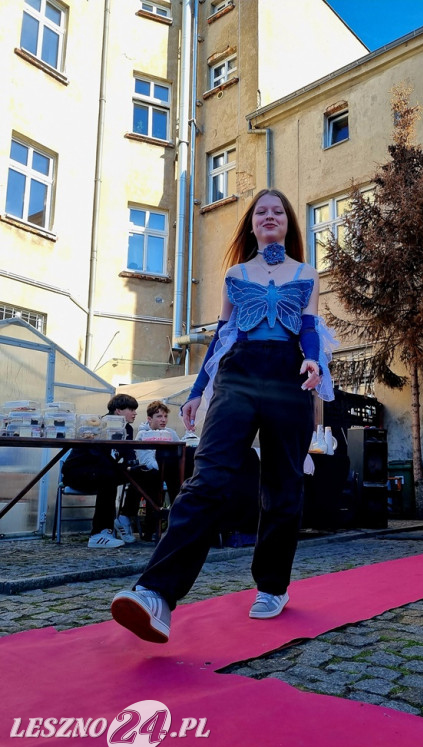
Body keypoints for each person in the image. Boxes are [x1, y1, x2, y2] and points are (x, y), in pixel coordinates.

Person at [111, 188, 337, 642]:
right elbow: (222, 337)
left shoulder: (306, 272)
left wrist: (312, 360)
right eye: (260, 212)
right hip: (238, 375)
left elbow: (309, 327)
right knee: (208, 477)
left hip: (289, 374)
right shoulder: (235, 273)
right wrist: (197, 391)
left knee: (283, 484)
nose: (269, 216)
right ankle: (156, 593)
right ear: (251, 224)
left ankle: (272, 585)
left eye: (277, 211)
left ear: (288, 223)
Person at [62, 393, 139, 549]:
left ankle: (123, 519)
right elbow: (97, 456)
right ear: (118, 411)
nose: (135, 413)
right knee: (108, 477)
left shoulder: (127, 428)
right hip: (78, 472)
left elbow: (128, 452)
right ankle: (99, 533)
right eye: (131, 409)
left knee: (142, 474)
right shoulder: (97, 425)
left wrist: (133, 465)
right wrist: (123, 467)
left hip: (102, 471)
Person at [131, 400, 183, 541]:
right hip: (149, 473)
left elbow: (180, 454)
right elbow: (145, 460)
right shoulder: (142, 434)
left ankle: (177, 523)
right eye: (159, 416)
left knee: (177, 481)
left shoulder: (170, 433)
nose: (163, 420)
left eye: (165, 416)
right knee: (153, 483)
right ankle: (151, 530)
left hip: (167, 472)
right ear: (149, 418)